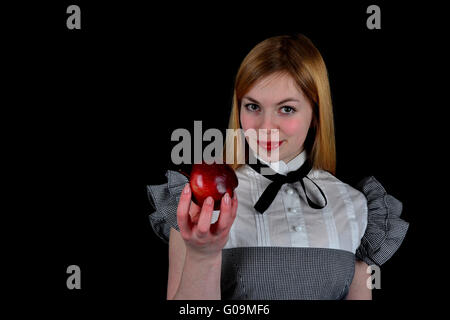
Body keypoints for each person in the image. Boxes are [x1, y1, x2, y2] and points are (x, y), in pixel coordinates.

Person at [147, 34, 409, 300]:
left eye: (286, 109)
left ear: (316, 114)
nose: (266, 128)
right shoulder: (199, 202)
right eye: (253, 106)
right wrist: (203, 256)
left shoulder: (357, 206)